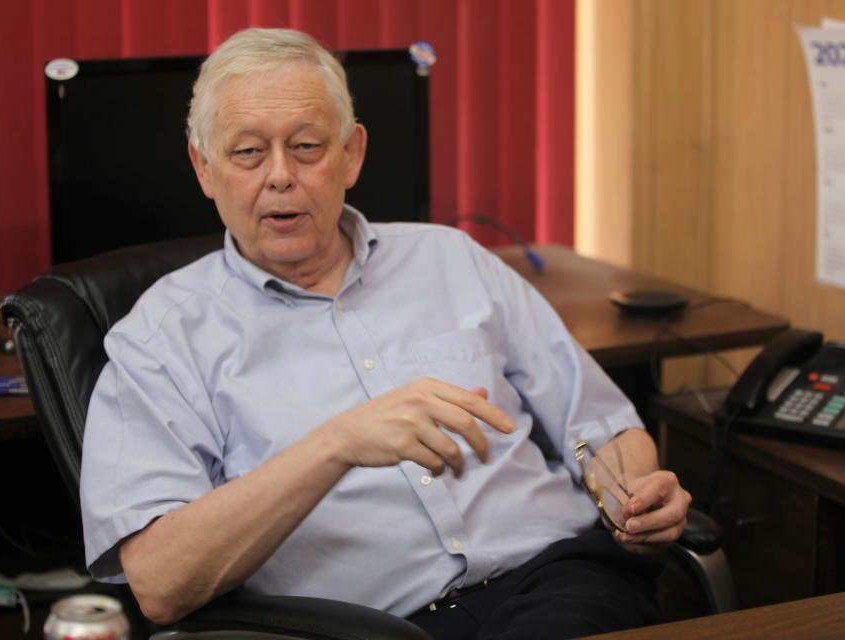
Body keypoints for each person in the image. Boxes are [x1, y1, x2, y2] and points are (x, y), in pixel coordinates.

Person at [79, 27, 691, 640]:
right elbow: (160, 585)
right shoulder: (158, 339)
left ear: (352, 153)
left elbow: (601, 425)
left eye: (307, 146)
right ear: (203, 167)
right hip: (363, 627)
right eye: (248, 153)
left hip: (555, 581)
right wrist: (335, 445)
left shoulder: (453, 259)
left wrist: (634, 494)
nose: (281, 176)